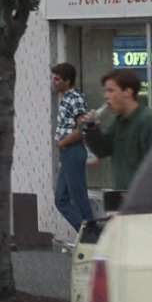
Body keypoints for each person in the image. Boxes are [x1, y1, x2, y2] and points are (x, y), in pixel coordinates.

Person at [81, 69, 152, 191]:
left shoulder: (148, 121)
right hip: (124, 197)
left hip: (144, 199)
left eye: (111, 90)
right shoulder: (119, 122)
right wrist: (91, 127)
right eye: (105, 91)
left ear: (128, 92)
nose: (106, 96)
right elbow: (103, 150)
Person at [51, 62, 94, 231]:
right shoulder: (66, 98)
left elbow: (83, 127)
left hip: (73, 151)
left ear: (67, 81)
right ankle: (86, 233)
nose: (54, 82)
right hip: (67, 153)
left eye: (57, 79)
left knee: (79, 197)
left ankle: (92, 236)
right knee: (61, 198)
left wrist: (62, 142)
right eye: (53, 78)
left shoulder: (74, 98)